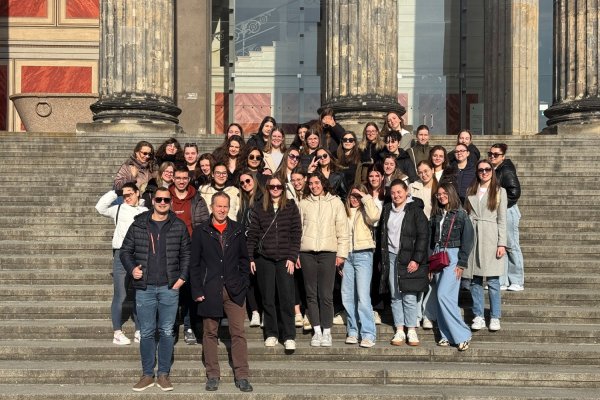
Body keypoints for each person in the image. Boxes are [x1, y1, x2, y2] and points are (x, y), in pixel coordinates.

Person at [120, 187, 191, 391]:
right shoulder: (139, 224)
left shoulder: (178, 225)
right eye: (159, 199)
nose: (162, 203)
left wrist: (182, 278)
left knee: (167, 331)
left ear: (170, 202)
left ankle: (163, 374)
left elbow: (187, 254)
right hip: (145, 287)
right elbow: (125, 251)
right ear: (153, 201)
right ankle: (147, 374)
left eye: (166, 200)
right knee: (147, 331)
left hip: (169, 287)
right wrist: (132, 268)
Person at [189, 191, 253, 393]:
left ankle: (242, 375)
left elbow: (244, 260)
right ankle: (213, 375)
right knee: (210, 333)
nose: (222, 210)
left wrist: (243, 283)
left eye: (225, 206)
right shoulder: (201, 231)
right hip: (210, 289)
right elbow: (194, 264)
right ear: (212, 207)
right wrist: (197, 289)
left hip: (235, 289)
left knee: (238, 333)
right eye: (219, 206)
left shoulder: (237, 229)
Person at [246, 176, 302, 350]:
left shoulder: (291, 206)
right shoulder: (259, 207)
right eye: (272, 186)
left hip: (285, 258)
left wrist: (292, 257)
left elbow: (296, 233)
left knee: (286, 298)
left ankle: (289, 335)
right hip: (264, 258)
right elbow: (253, 234)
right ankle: (271, 333)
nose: (275, 189)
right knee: (268, 298)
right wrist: (250, 258)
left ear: (283, 188)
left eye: (278, 186)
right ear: (267, 188)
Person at [298, 172, 349, 347]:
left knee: (326, 294)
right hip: (307, 253)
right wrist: (296, 253)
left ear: (323, 183)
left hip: (328, 252)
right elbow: (298, 230)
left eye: (317, 182)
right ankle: (317, 331)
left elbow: (342, 230)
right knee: (311, 294)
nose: (314, 186)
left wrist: (341, 254)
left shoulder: (335, 202)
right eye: (311, 183)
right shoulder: (304, 203)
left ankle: (327, 331)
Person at [95, 183, 148, 345]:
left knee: (140, 293)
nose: (127, 197)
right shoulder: (118, 208)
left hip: (140, 255)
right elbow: (100, 208)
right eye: (125, 195)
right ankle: (117, 332)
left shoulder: (145, 211)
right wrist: (116, 192)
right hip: (121, 253)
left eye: (130, 194)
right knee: (121, 294)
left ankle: (139, 330)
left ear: (138, 193)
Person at [379, 179, 429, 346]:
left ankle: (411, 329)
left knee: (409, 294)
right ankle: (399, 329)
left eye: (399, 192)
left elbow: (423, 235)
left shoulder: (415, 210)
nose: (396, 195)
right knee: (395, 295)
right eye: (393, 193)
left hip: (409, 258)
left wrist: (416, 259)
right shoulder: (387, 209)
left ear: (406, 192)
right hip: (391, 257)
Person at [429, 183, 474, 351]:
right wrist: (429, 264)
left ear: (451, 193)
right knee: (444, 298)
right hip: (438, 254)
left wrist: (462, 263)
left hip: (453, 255)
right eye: (438, 194)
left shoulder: (461, 214)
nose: (441, 196)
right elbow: (431, 239)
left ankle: (463, 334)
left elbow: (468, 240)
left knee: (443, 295)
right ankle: (446, 334)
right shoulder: (436, 214)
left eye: (444, 193)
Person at [464, 160, 507, 332]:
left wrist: (502, 243)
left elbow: (502, 219)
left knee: (493, 280)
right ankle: (478, 315)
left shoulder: (499, 191)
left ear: (492, 171)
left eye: (487, 169)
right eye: (480, 169)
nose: (484, 172)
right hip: (473, 236)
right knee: (474, 279)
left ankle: (495, 316)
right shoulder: (470, 190)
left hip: (490, 236)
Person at [169, 166, 210, 344]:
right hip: (170, 250)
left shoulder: (197, 199)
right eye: (178, 178)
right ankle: (170, 326)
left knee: (189, 291)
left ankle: (188, 326)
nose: (181, 181)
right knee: (171, 290)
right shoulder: (166, 197)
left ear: (189, 179)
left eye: (184, 178)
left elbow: (204, 223)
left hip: (192, 250)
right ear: (173, 179)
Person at [341, 184, 381, 348]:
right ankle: (352, 330)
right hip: (346, 256)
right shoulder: (344, 212)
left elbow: (375, 217)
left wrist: (365, 197)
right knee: (348, 295)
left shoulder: (366, 210)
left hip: (363, 254)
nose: (355, 199)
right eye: (353, 195)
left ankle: (368, 333)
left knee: (363, 296)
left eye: (358, 196)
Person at [489, 143, 524, 292]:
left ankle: (517, 280)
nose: (492, 156)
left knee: (511, 245)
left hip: (508, 210)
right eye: (490, 154)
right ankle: (502, 280)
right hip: (500, 211)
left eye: (496, 154)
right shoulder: (494, 169)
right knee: (501, 244)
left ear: (503, 156)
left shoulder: (506, 170)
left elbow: (514, 192)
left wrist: (501, 205)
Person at [237, 171, 263, 327]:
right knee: (249, 280)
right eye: (242, 183)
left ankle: (263, 311)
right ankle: (255, 312)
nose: (245, 184)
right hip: (245, 246)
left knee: (262, 281)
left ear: (254, 180)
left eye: (248, 181)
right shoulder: (243, 201)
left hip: (260, 246)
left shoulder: (262, 198)